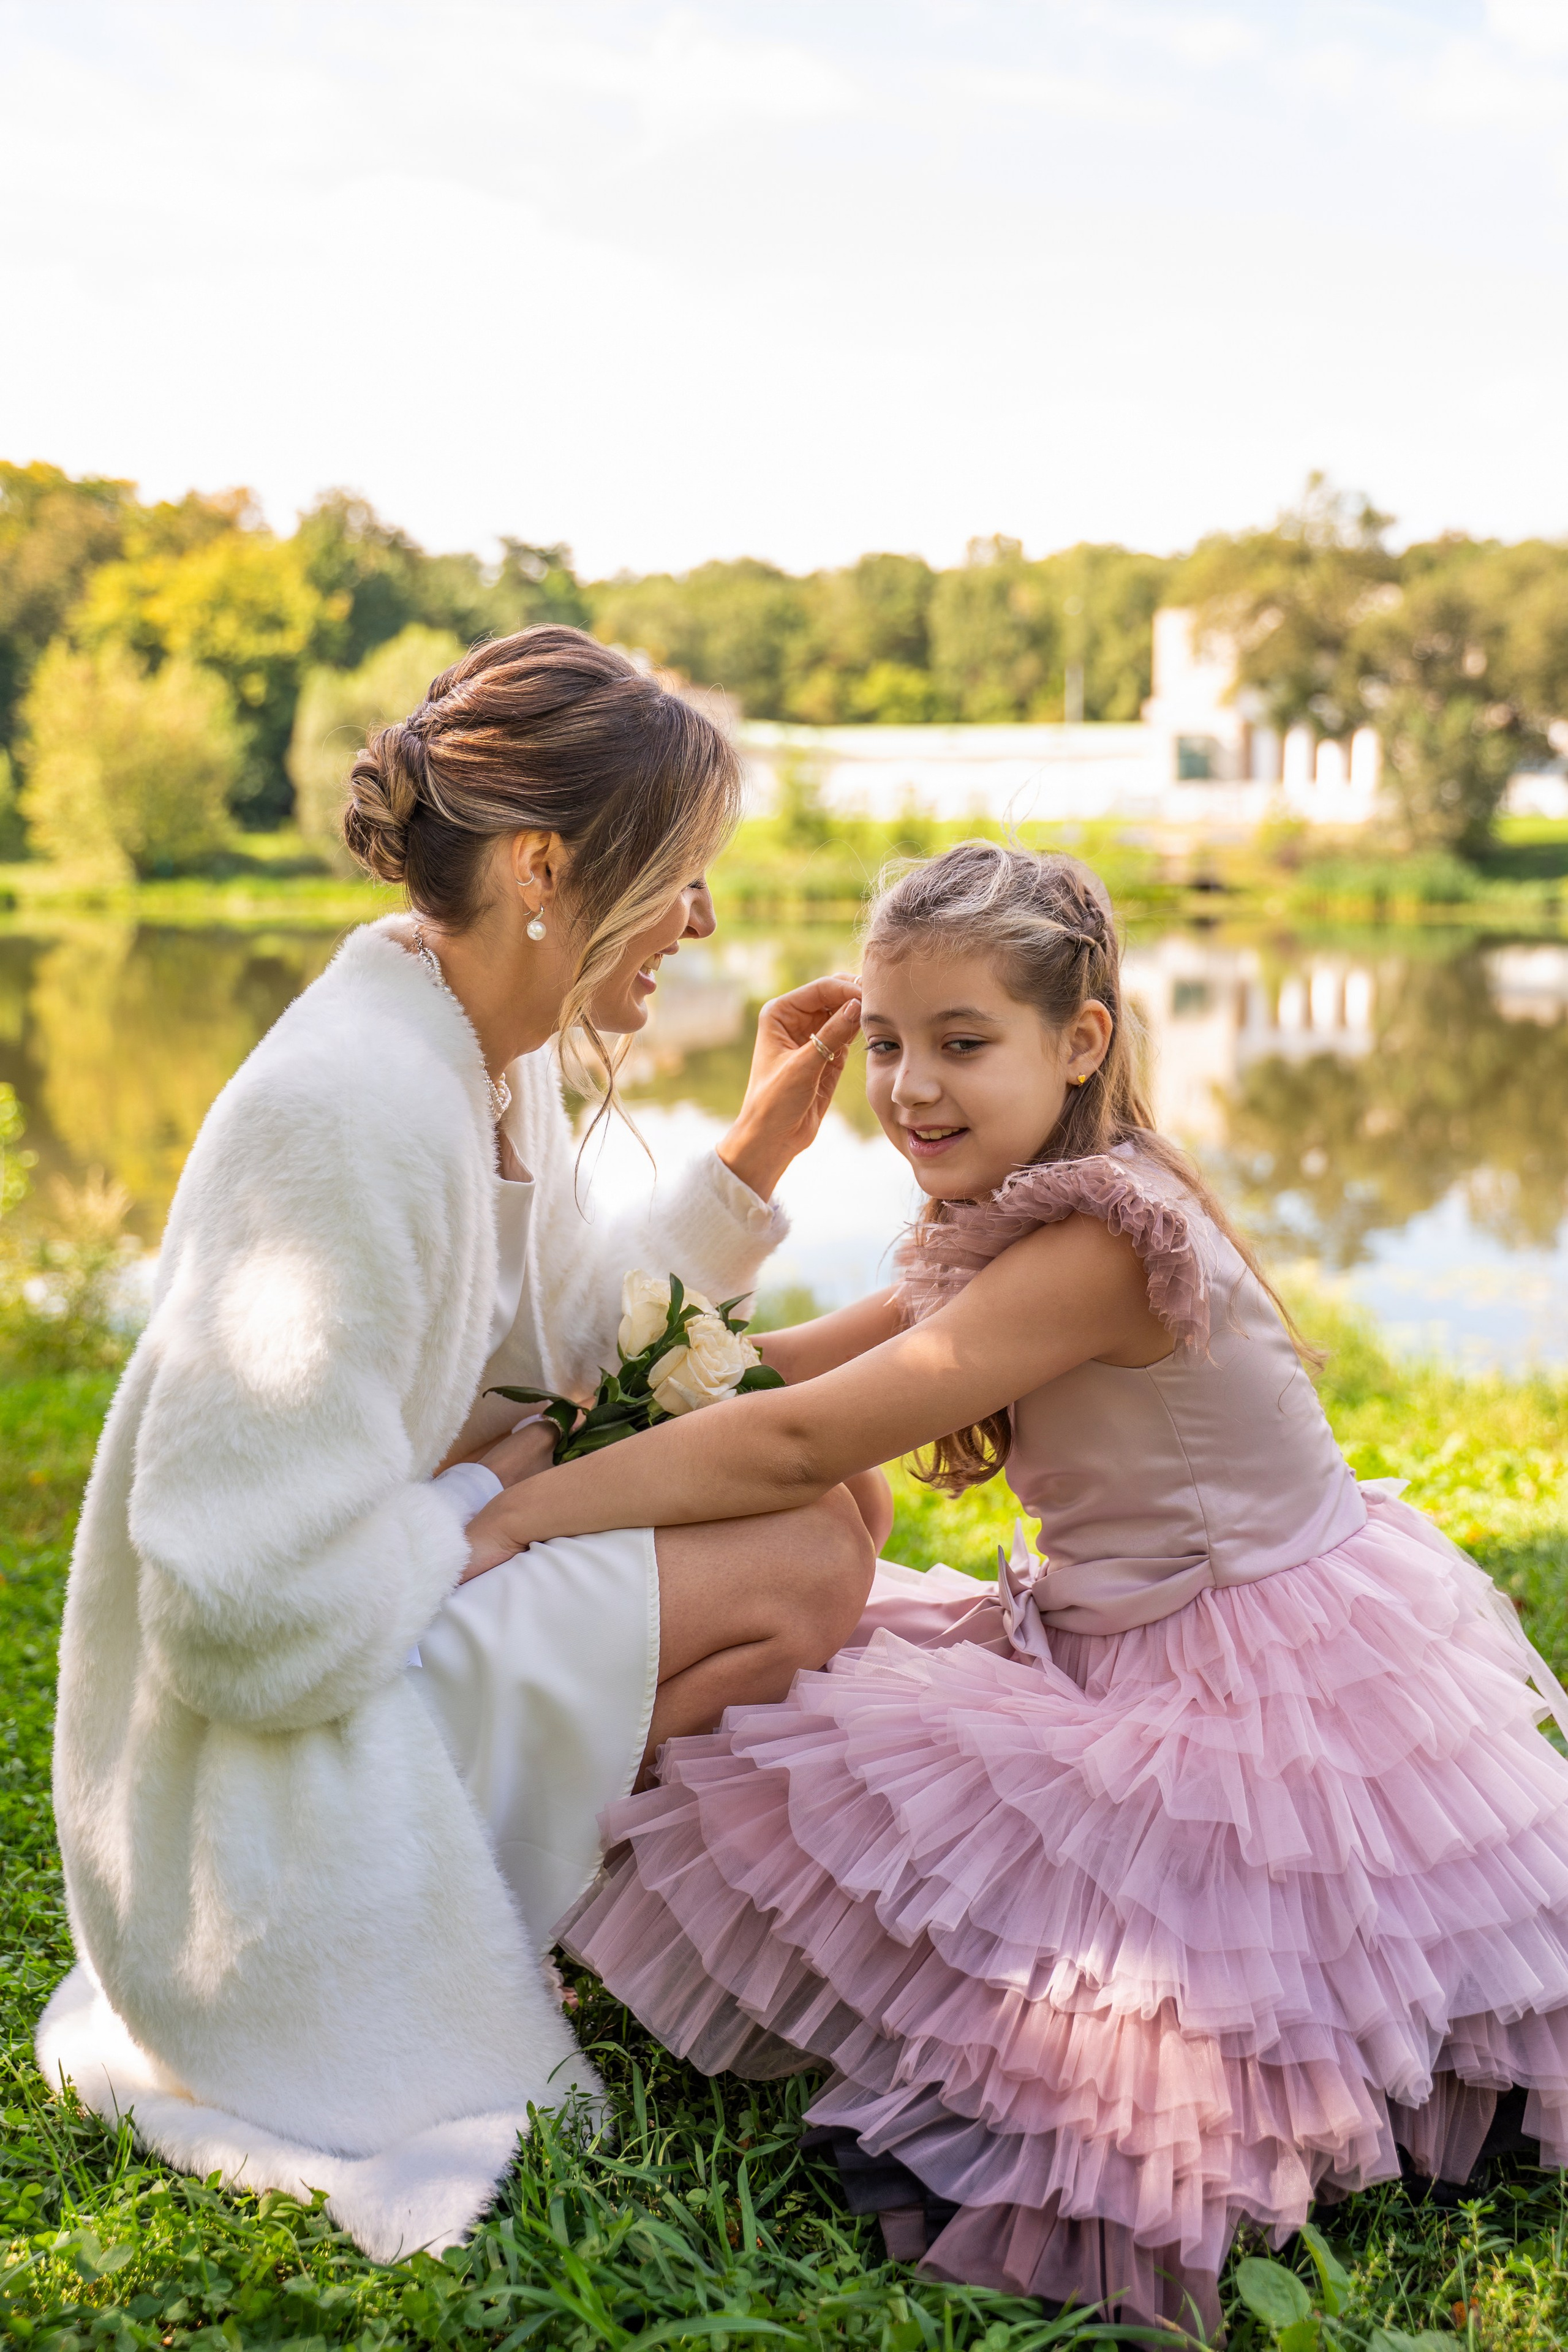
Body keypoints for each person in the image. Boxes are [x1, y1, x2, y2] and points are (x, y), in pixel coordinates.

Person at [467, 840, 1568, 2337]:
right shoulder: (1020, 1200)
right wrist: (578, 1397)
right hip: (1115, 1638)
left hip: (1242, 1693)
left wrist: (520, 1513)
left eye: (961, 1045)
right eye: (886, 1045)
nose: (911, 1088)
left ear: (1081, 1040)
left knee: (1095, 1998)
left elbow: (804, 1432)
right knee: (819, 1699)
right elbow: (774, 1369)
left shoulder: (1099, 1240)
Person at [37, 626, 875, 2264]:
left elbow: (565, 1337)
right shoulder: (343, 1108)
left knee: (839, 1485)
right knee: (799, 1557)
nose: (702, 919)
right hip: (267, 1770)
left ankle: (548, 1889)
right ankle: (514, 1915)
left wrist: (760, 1144)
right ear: (548, 865)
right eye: (683, 874)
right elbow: (237, 1616)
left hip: (376, 1619)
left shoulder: (481, 1062)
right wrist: (485, 1494)